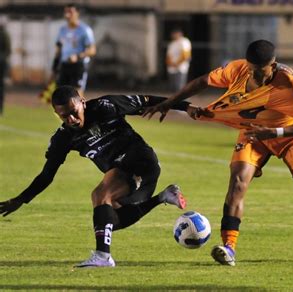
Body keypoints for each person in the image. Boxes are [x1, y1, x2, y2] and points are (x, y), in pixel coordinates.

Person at [144, 40, 293, 266]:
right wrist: (171, 102)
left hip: (289, 133)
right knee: (237, 183)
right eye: (251, 69)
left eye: (260, 71)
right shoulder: (238, 69)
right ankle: (229, 248)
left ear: (273, 65)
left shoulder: (289, 83)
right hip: (253, 133)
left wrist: (274, 132)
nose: (254, 75)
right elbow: (203, 81)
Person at [0, 86, 189, 268]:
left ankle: (103, 257)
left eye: (74, 111)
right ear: (57, 115)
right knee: (109, 221)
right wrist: (21, 199)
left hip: (141, 160)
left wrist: (187, 107)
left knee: (99, 195)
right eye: (64, 116)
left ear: (82, 102)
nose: (72, 119)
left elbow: (147, 100)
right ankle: (163, 197)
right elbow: (46, 175)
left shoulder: (105, 106)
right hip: (134, 179)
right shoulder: (63, 138)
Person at [51, 4, 96, 97]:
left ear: (77, 13)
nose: (67, 15)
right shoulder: (62, 30)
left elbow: (92, 50)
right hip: (64, 65)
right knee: (62, 94)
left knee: (77, 94)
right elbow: (58, 48)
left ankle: (81, 111)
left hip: (78, 66)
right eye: (66, 12)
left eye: (70, 12)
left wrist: (78, 56)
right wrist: (54, 67)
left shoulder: (84, 30)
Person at [166, 28, 192, 92]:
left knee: (179, 87)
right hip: (171, 67)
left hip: (181, 67)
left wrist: (177, 63)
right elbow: (168, 56)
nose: (173, 35)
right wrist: (171, 63)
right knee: (172, 87)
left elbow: (186, 55)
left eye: (174, 34)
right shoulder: (172, 43)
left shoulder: (184, 41)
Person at [0, 21, 10, 115]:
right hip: (2, 63)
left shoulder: (4, 34)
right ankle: (1, 110)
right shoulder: (5, 34)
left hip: (1, 63)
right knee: (1, 88)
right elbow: (8, 50)